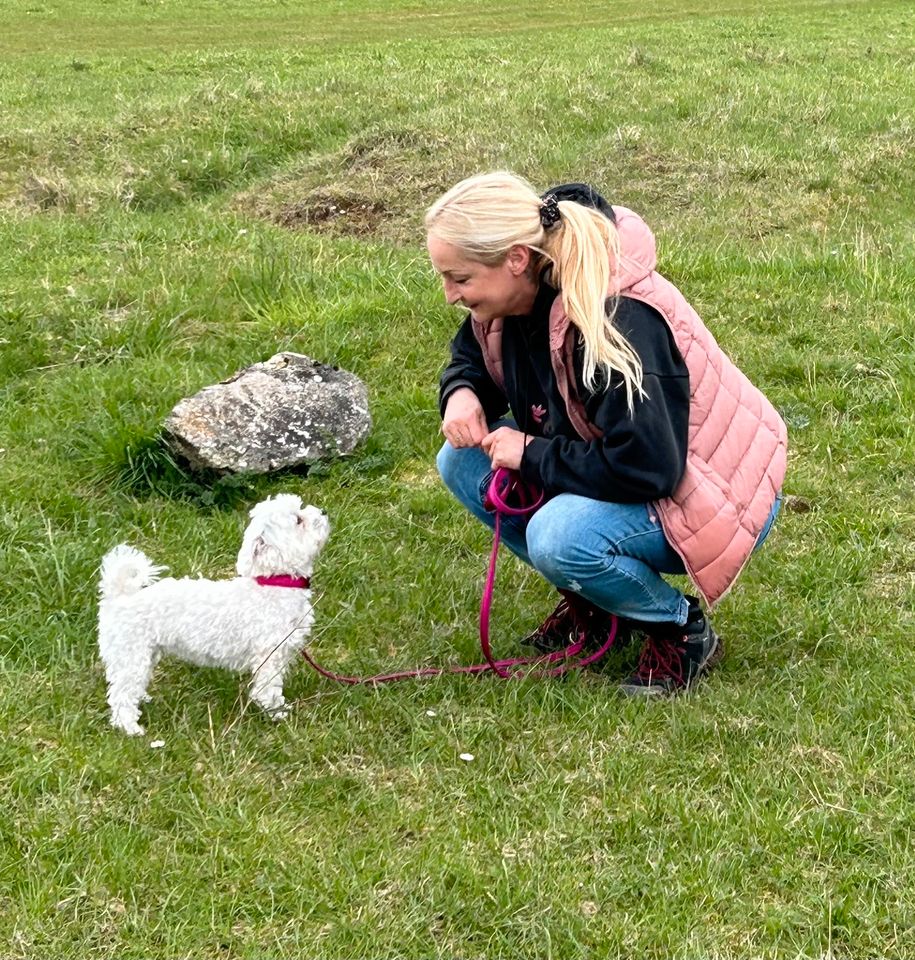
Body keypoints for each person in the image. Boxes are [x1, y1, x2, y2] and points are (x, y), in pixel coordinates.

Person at [427, 172, 787, 697]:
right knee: (460, 462)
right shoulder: (511, 298)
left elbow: (648, 467)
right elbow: (474, 354)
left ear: (516, 260)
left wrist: (530, 454)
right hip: (644, 471)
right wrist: (463, 391)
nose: (449, 295)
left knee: (558, 537)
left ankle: (678, 628)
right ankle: (599, 606)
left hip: (716, 494)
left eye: (459, 278)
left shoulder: (619, 322)